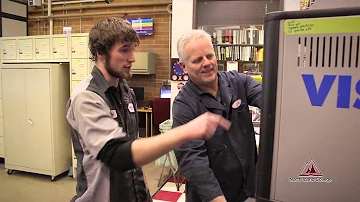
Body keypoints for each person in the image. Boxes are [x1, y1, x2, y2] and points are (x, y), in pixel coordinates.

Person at [65, 18, 231, 202]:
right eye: (124, 50)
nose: (133, 58)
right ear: (100, 53)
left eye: (133, 49)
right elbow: (118, 155)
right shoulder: (86, 97)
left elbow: (133, 153)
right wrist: (185, 131)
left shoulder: (125, 91)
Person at [172, 29, 262, 202]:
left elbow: (271, 98)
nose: (207, 63)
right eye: (198, 60)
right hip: (212, 196)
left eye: (209, 56)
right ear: (183, 66)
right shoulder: (184, 105)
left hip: (248, 189)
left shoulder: (239, 82)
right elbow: (193, 161)